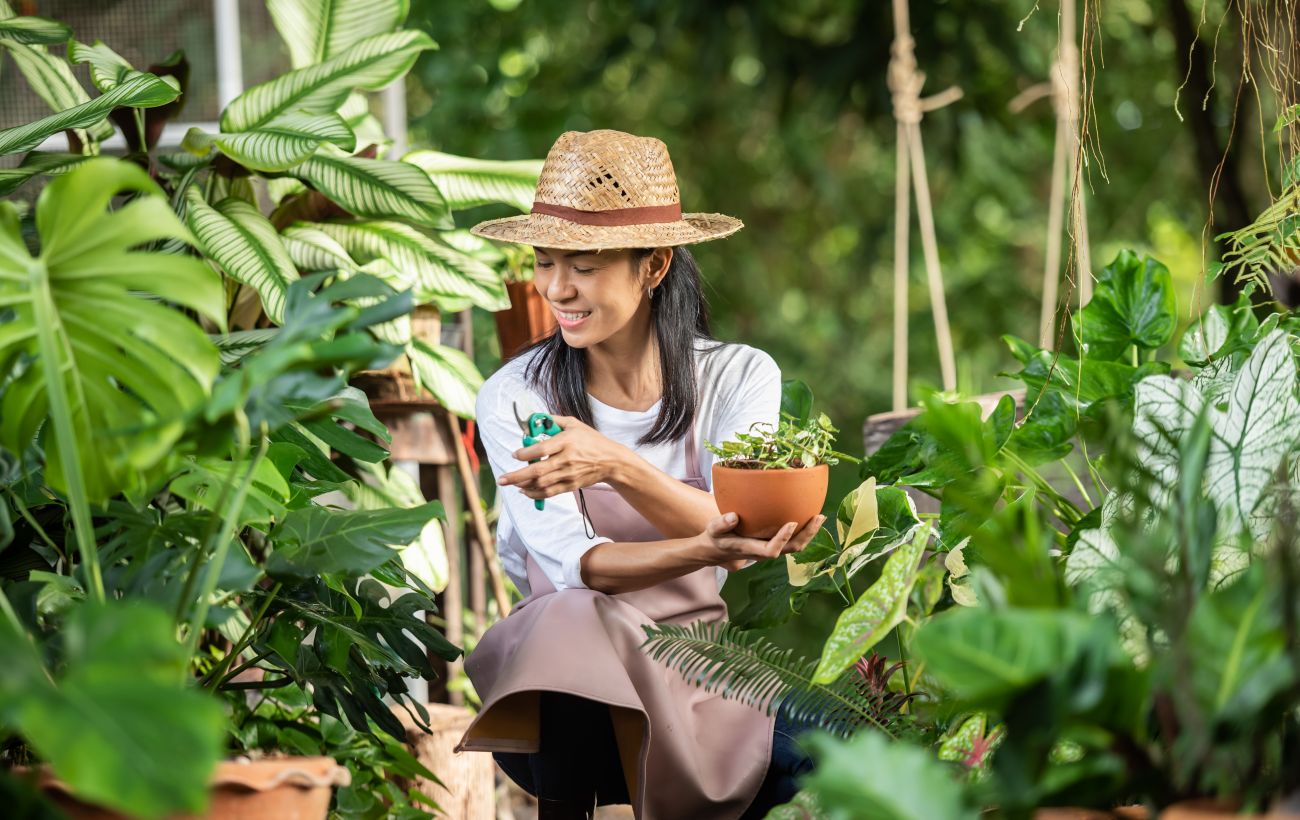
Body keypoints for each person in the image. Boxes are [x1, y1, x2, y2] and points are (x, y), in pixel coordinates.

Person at [454, 129, 823, 819]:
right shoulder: (517, 396)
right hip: (557, 697)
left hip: (694, 666)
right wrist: (706, 544)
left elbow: (743, 528)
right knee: (569, 618)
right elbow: (576, 567)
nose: (556, 289)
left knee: (840, 754)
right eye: (544, 262)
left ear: (653, 267)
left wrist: (616, 465)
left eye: (584, 266)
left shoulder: (738, 377)